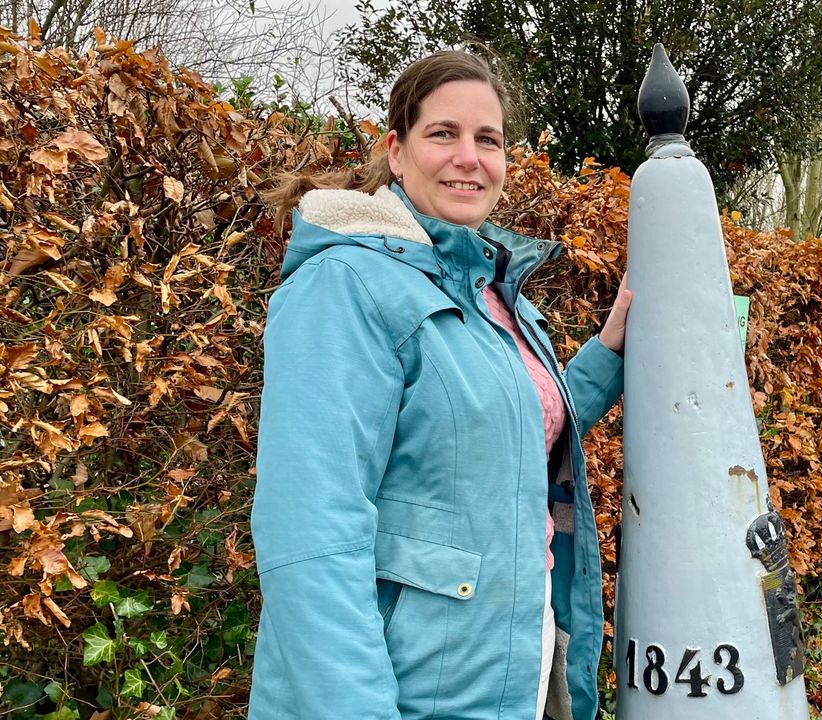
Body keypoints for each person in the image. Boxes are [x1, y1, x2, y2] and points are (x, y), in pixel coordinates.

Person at [249, 50, 631, 720]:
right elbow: (311, 535)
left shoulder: (494, 295)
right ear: (396, 152)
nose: (469, 157)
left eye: (488, 140)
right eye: (443, 133)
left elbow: (516, 428)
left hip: (515, 653)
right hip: (413, 686)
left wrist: (611, 348)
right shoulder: (346, 284)